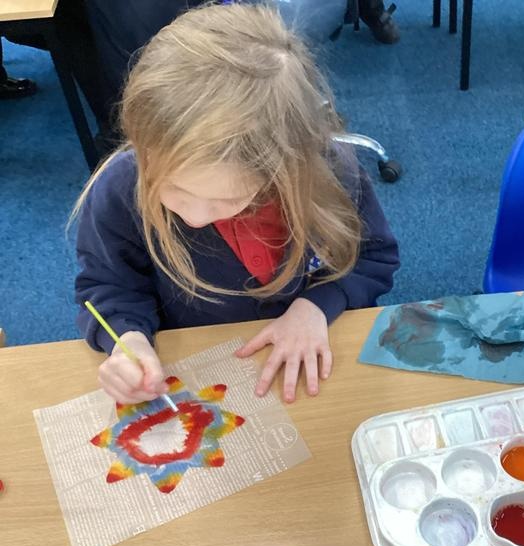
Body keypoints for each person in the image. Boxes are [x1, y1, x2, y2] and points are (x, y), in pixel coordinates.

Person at [73, 3, 400, 405]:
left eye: (227, 200)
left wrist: (317, 307)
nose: (194, 217)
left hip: (311, 364)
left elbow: (372, 258)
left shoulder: (330, 176)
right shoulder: (121, 188)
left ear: (283, 169)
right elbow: (109, 285)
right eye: (172, 189)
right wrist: (128, 340)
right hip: (196, 367)